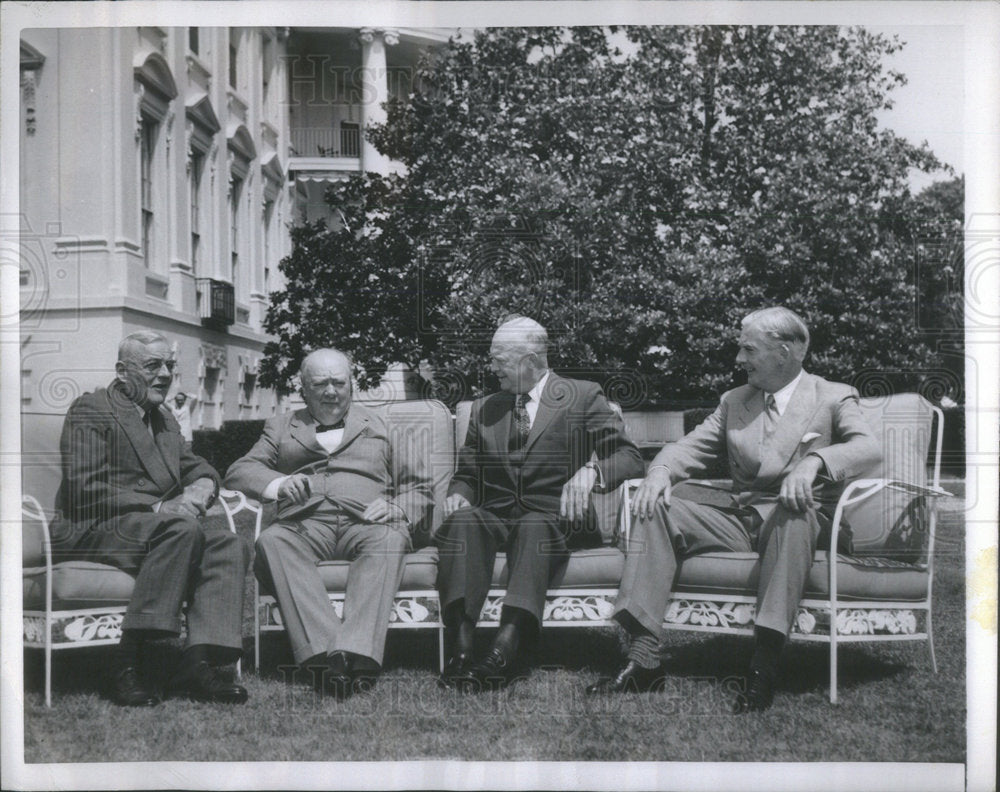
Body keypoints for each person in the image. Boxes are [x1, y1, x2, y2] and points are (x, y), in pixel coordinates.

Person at [587, 307, 881, 713]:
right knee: (654, 506)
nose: (738, 360)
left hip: (808, 519)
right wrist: (659, 472)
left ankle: (763, 666)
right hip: (744, 518)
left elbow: (869, 448)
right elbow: (689, 446)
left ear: (785, 352)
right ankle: (644, 659)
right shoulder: (735, 400)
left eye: (748, 349)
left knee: (793, 513)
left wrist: (815, 463)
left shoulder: (832, 394)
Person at [436, 316, 645, 692]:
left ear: (530, 361)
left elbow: (629, 457)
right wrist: (459, 495)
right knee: (463, 522)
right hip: (498, 516)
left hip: (557, 518)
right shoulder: (485, 407)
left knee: (533, 524)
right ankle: (463, 650)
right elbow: (468, 474)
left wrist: (591, 473)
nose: (492, 367)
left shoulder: (582, 395)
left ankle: (505, 649)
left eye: (500, 359)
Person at [54, 331, 251, 707]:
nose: (165, 374)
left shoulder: (162, 419)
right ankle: (129, 663)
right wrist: (158, 508)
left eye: (170, 366)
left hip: (154, 531)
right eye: (153, 366)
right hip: (92, 528)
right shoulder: (91, 409)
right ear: (122, 371)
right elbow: (84, 488)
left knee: (228, 542)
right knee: (180, 527)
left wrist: (201, 487)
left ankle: (198, 662)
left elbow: (199, 467)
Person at [224, 348, 433, 699]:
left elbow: (421, 485)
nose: (331, 391)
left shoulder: (383, 424)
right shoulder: (281, 426)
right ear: (304, 388)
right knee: (273, 541)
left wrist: (397, 506)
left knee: (388, 540)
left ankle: (358, 655)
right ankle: (323, 657)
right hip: (306, 523)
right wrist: (278, 483)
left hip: (367, 521)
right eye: (321, 383)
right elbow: (239, 471)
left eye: (339, 382)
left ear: (352, 384)